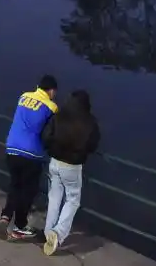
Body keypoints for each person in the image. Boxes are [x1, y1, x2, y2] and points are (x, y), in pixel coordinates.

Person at [40, 89, 101, 256]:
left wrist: (51, 148)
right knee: (73, 200)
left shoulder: (59, 115)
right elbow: (93, 144)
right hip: (72, 166)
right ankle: (58, 233)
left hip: (54, 162)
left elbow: (46, 136)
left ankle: (48, 233)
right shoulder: (90, 121)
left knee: (54, 197)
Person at [0, 74, 58, 241]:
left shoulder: (24, 97)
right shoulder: (51, 107)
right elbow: (50, 132)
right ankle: (19, 225)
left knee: (15, 185)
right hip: (31, 153)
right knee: (28, 190)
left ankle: (5, 216)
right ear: (51, 91)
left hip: (11, 148)